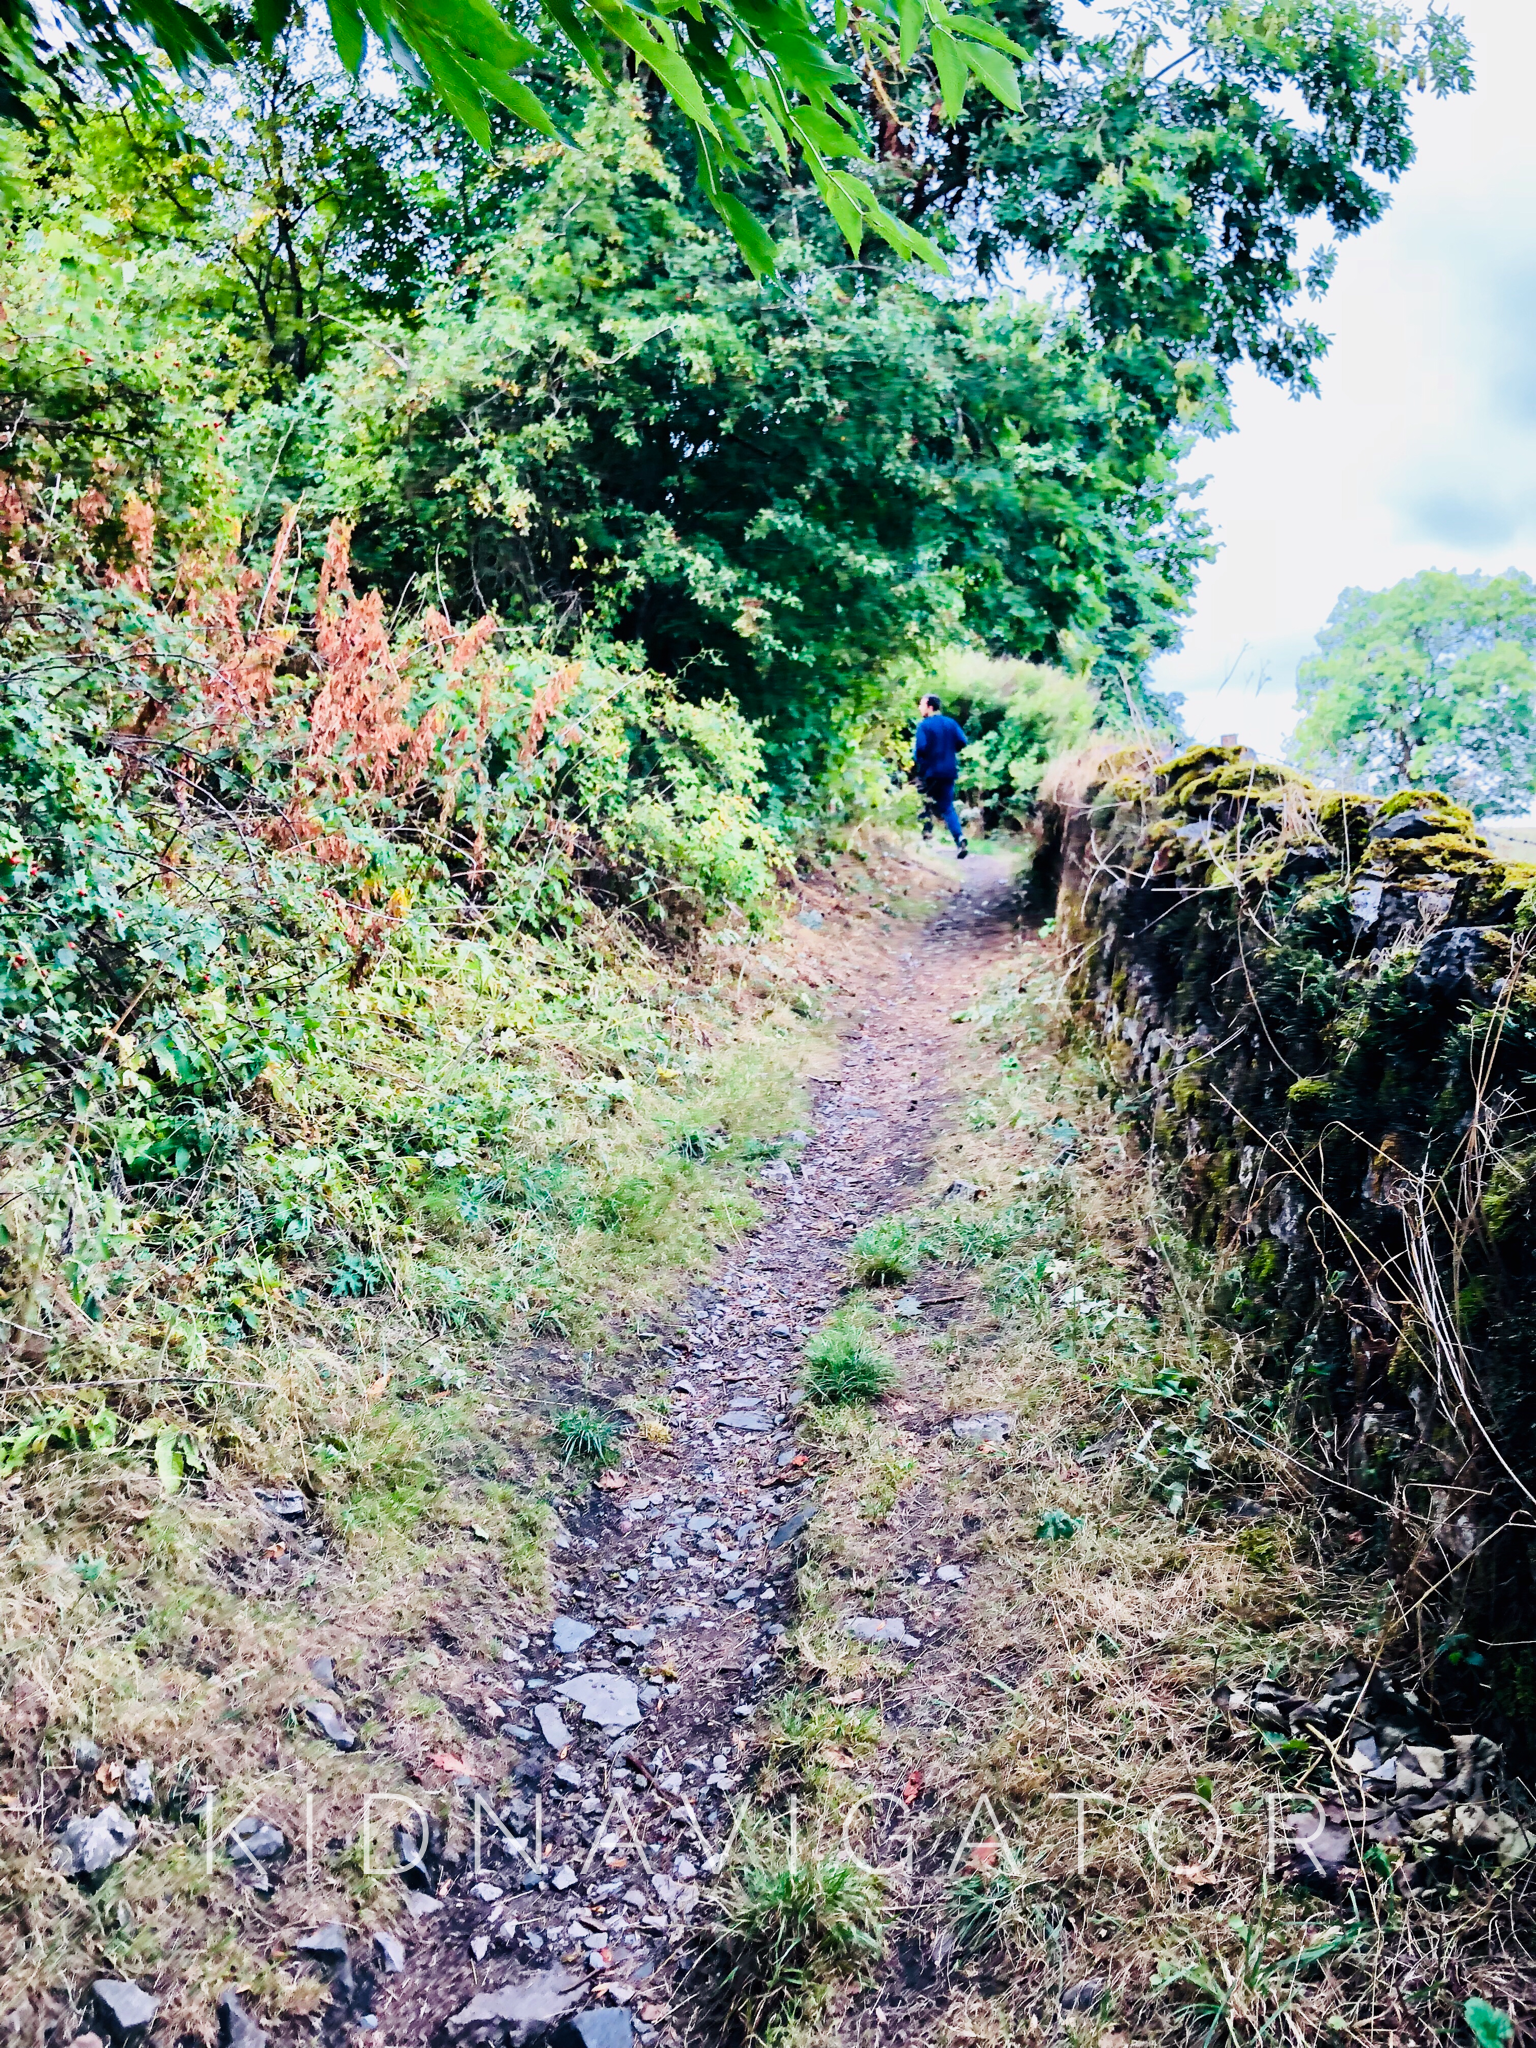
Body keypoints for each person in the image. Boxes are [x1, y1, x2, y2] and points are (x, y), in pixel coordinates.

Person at [912, 693, 969, 859]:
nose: (919, 708)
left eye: (921, 704)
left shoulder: (924, 725)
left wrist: (919, 760)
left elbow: (921, 748)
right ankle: (960, 839)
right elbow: (962, 742)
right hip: (949, 771)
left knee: (923, 801)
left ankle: (926, 836)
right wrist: (949, 752)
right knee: (947, 807)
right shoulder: (950, 723)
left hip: (930, 772)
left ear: (930, 707)